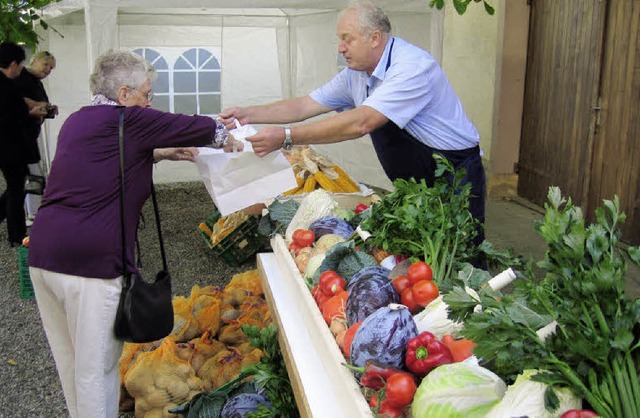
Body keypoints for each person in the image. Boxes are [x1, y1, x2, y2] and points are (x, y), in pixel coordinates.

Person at [27, 49, 242, 418]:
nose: (149, 101)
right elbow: (201, 127)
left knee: (71, 362)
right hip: (91, 264)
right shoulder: (128, 117)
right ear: (124, 94)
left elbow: (108, 156)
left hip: (45, 257)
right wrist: (236, 136)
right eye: (146, 93)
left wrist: (159, 154)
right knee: (97, 371)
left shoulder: (80, 121)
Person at [220, 0, 486, 246]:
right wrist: (247, 114)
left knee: (459, 250)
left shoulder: (412, 68)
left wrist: (287, 136)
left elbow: (362, 122)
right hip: (413, 181)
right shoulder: (355, 75)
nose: (340, 48)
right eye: (340, 39)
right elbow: (304, 105)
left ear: (374, 38)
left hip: (455, 173)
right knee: (421, 248)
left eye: (347, 39)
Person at [0, 42, 47, 247]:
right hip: (9, 146)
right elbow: (13, 117)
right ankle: (17, 236)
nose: (20, 69)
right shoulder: (7, 86)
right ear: (13, 64)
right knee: (16, 189)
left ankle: (15, 232)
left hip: (7, 145)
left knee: (14, 188)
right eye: (20, 65)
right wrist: (33, 115)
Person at [14, 50, 58, 222]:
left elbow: (42, 107)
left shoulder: (37, 83)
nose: (48, 70)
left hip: (30, 134)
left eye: (51, 68)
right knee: (31, 174)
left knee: (30, 174)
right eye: (46, 64)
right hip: (20, 135)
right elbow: (18, 100)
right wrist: (39, 106)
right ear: (34, 61)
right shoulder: (21, 78)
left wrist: (49, 109)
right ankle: (32, 212)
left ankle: (32, 211)